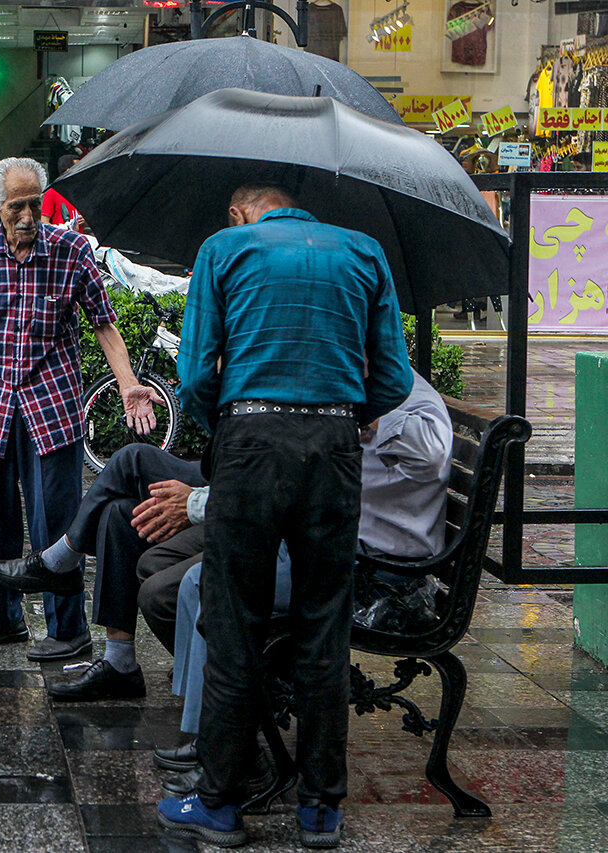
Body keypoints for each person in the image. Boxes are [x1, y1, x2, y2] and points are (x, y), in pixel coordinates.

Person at [157, 184, 412, 849]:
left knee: (233, 618)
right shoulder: (364, 251)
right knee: (324, 626)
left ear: (244, 211)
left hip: (249, 443)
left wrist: (229, 419)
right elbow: (393, 378)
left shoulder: (225, 249)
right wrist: (347, 413)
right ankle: (320, 810)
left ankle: (219, 805)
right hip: (332, 448)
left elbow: (191, 373)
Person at [0, 157, 163, 661]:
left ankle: (68, 630)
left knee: (55, 524)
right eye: (16, 206)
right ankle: (1, 621)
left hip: (51, 406)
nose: (27, 216)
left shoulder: (71, 251)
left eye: (34, 204)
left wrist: (128, 384)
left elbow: (104, 324)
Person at [153, 374, 452, 803]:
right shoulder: (347, 393)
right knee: (196, 582)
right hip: (335, 549)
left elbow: (434, 452)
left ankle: (236, 760)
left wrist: (373, 419)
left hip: (377, 573)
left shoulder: (406, 395)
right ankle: (209, 738)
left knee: (209, 585)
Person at [0, 443, 206, 700]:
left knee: (131, 459)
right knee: (119, 514)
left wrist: (194, 502)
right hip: (223, 481)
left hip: (239, 500)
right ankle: (120, 663)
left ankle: (59, 562)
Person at [41, 154, 83, 232]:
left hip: (79, 240)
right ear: (68, 170)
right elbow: (44, 223)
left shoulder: (79, 192)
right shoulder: (51, 193)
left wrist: (84, 220)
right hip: (61, 240)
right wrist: (63, 228)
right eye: (78, 167)